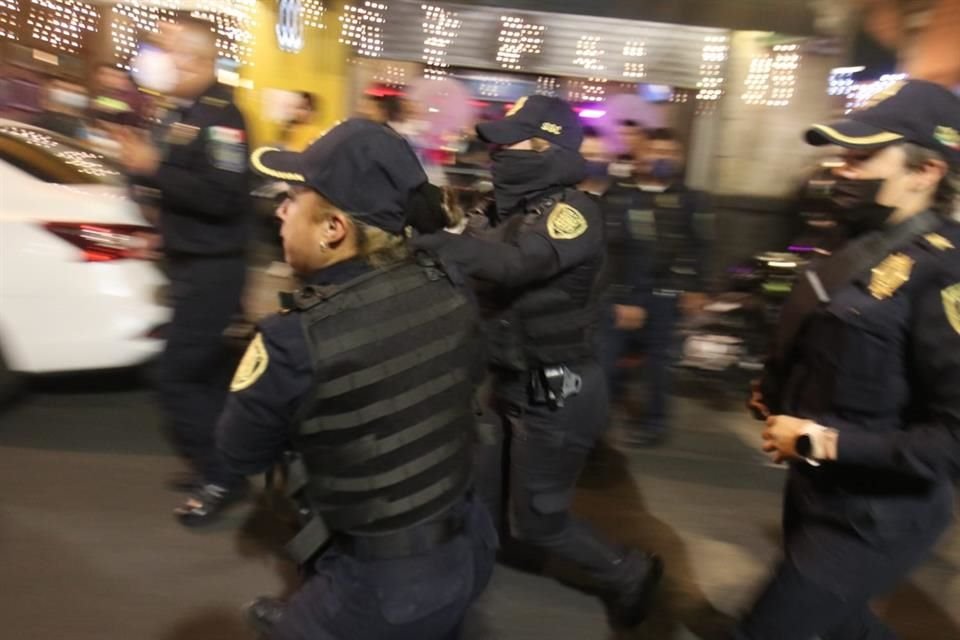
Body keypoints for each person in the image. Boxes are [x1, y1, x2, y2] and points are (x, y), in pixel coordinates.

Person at [218, 118, 496, 640]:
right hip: (468, 547)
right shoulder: (447, 282)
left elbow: (239, 453)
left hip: (382, 588)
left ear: (333, 229)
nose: (280, 209)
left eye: (294, 196)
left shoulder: (292, 337)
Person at [413, 95, 663, 630]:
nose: (497, 152)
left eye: (512, 142)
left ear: (548, 149)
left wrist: (441, 248)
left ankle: (630, 572)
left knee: (541, 520)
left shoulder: (573, 213)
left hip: (560, 392)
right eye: (496, 143)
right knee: (481, 492)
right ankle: (468, 584)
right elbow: (465, 254)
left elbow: (516, 263)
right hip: (504, 380)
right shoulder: (494, 210)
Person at [737, 79, 960, 639]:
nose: (843, 168)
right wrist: (777, 390)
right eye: (844, 153)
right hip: (816, 491)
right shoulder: (856, 241)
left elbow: (951, 440)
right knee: (844, 629)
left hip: (877, 517)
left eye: (863, 157)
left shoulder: (944, 273)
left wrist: (817, 439)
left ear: (925, 171)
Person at [110, 17, 253, 525]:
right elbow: (184, 191)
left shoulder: (222, 117)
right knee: (207, 376)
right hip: (192, 263)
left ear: (195, 59)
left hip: (214, 270)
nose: (160, 60)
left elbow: (223, 194)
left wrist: (154, 168)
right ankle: (220, 464)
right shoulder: (183, 113)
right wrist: (160, 226)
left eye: (168, 51)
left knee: (174, 377)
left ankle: (218, 477)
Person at [600, 128, 710, 447]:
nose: (661, 157)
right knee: (607, 361)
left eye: (669, 152)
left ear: (680, 158)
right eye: (654, 150)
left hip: (666, 297)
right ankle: (597, 425)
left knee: (659, 365)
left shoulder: (691, 200)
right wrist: (621, 297)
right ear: (640, 154)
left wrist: (696, 288)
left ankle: (654, 424)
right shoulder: (618, 195)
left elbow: (700, 246)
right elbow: (609, 251)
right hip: (623, 296)